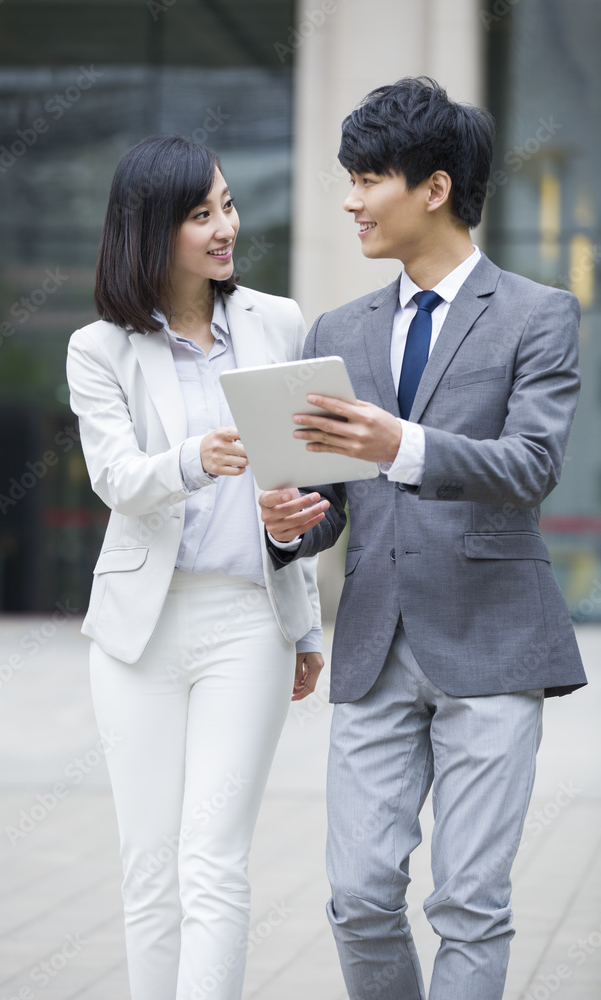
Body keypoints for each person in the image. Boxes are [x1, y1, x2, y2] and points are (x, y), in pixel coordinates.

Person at [260, 78, 587, 1000]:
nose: (351, 200)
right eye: (348, 178)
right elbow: (328, 499)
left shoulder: (539, 314)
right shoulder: (337, 331)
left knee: (471, 903)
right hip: (374, 648)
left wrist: (399, 444)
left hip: (492, 642)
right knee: (358, 896)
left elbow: (529, 465)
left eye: (368, 178)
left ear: (433, 188)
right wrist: (292, 523)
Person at [66, 134, 324, 1000]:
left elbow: (297, 481)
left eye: (226, 204)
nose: (225, 227)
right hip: (140, 630)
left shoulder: (278, 322)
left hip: (248, 620)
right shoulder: (97, 349)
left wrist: (304, 624)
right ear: (148, 230)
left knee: (214, 861)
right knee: (149, 867)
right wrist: (192, 459)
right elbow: (114, 480)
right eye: (200, 213)